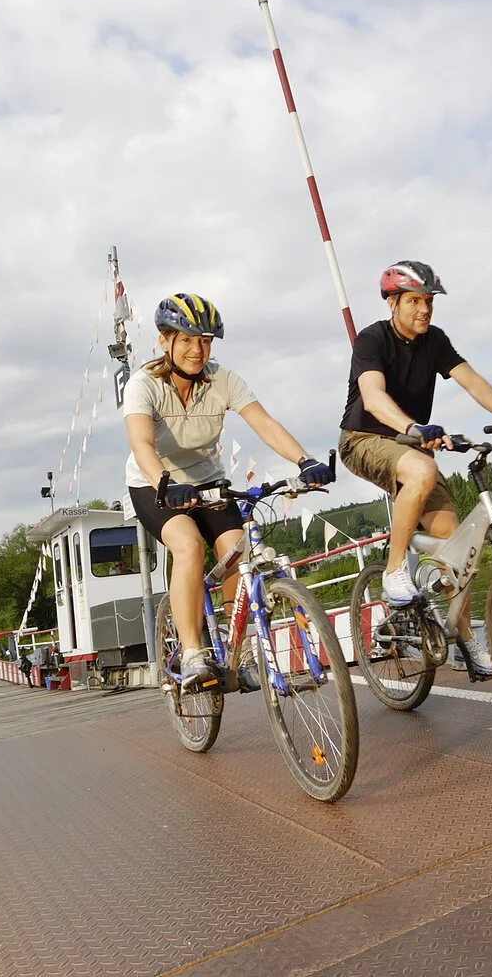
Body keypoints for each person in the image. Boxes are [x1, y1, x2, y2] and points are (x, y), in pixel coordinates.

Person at [337, 261, 492, 680]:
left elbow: (472, 381)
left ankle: (464, 636)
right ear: (393, 302)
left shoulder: (436, 341)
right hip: (362, 440)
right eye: (414, 301)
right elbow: (372, 397)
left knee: (456, 543)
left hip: (411, 445)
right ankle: (394, 572)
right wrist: (413, 428)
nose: (424, 310)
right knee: (422, 470)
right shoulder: (372, 340)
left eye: (429, 301)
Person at [125, 293, 335, 689]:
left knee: (238, 547)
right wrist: (166, 485)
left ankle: (239, 652)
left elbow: (265, 423)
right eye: (186, 340)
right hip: (156, 484)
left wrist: (305, 462)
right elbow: (142, 445)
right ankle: (191, 653)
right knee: (188, 546)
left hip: (208, 480)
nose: (197, 349)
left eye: (204, 340)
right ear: (164, 342)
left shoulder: (222, 380)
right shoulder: (144, 385)